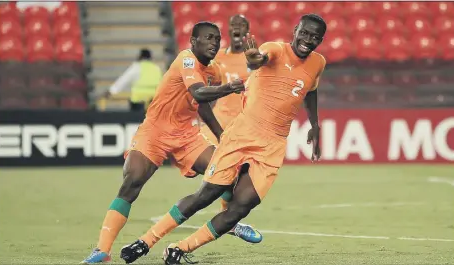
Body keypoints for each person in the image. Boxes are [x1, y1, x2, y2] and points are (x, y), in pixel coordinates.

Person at [118, 13, 327, 265]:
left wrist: (314, 124)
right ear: (295, 30)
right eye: (304, 33)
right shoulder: (274, 49)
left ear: (321, 40)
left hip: (273, 144)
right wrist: (253, 59)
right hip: (242, 134)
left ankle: (180, 248)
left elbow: (311, 89)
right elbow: (259, 59)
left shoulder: (318, 62)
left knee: (241, 207)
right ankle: (146, 241)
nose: (308, 40)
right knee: (207, 194)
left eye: (315, 37)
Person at [81, 21, 260, 264]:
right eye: (207, 38)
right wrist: (229, 88)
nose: (214, 42)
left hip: (186, 134)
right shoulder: (185, 60)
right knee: (132, 180)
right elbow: (198, 92)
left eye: (217, 39)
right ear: (193, 42)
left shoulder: (214, 71)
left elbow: (202, 104)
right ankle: (102, 250)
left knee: (224, 170)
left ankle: (229, 222)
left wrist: (220, 135)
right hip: (155, 131)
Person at [198, 14, 252, 224]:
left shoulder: (253, 58)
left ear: (247, 30)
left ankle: (226, 216)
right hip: (218, 123)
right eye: (233, 25)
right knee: (219, 168)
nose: (237, 28)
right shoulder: (217, 57)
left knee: (237, 173)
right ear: (227, 31)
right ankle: (226, 217)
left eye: (242, 25)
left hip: (243, 124)